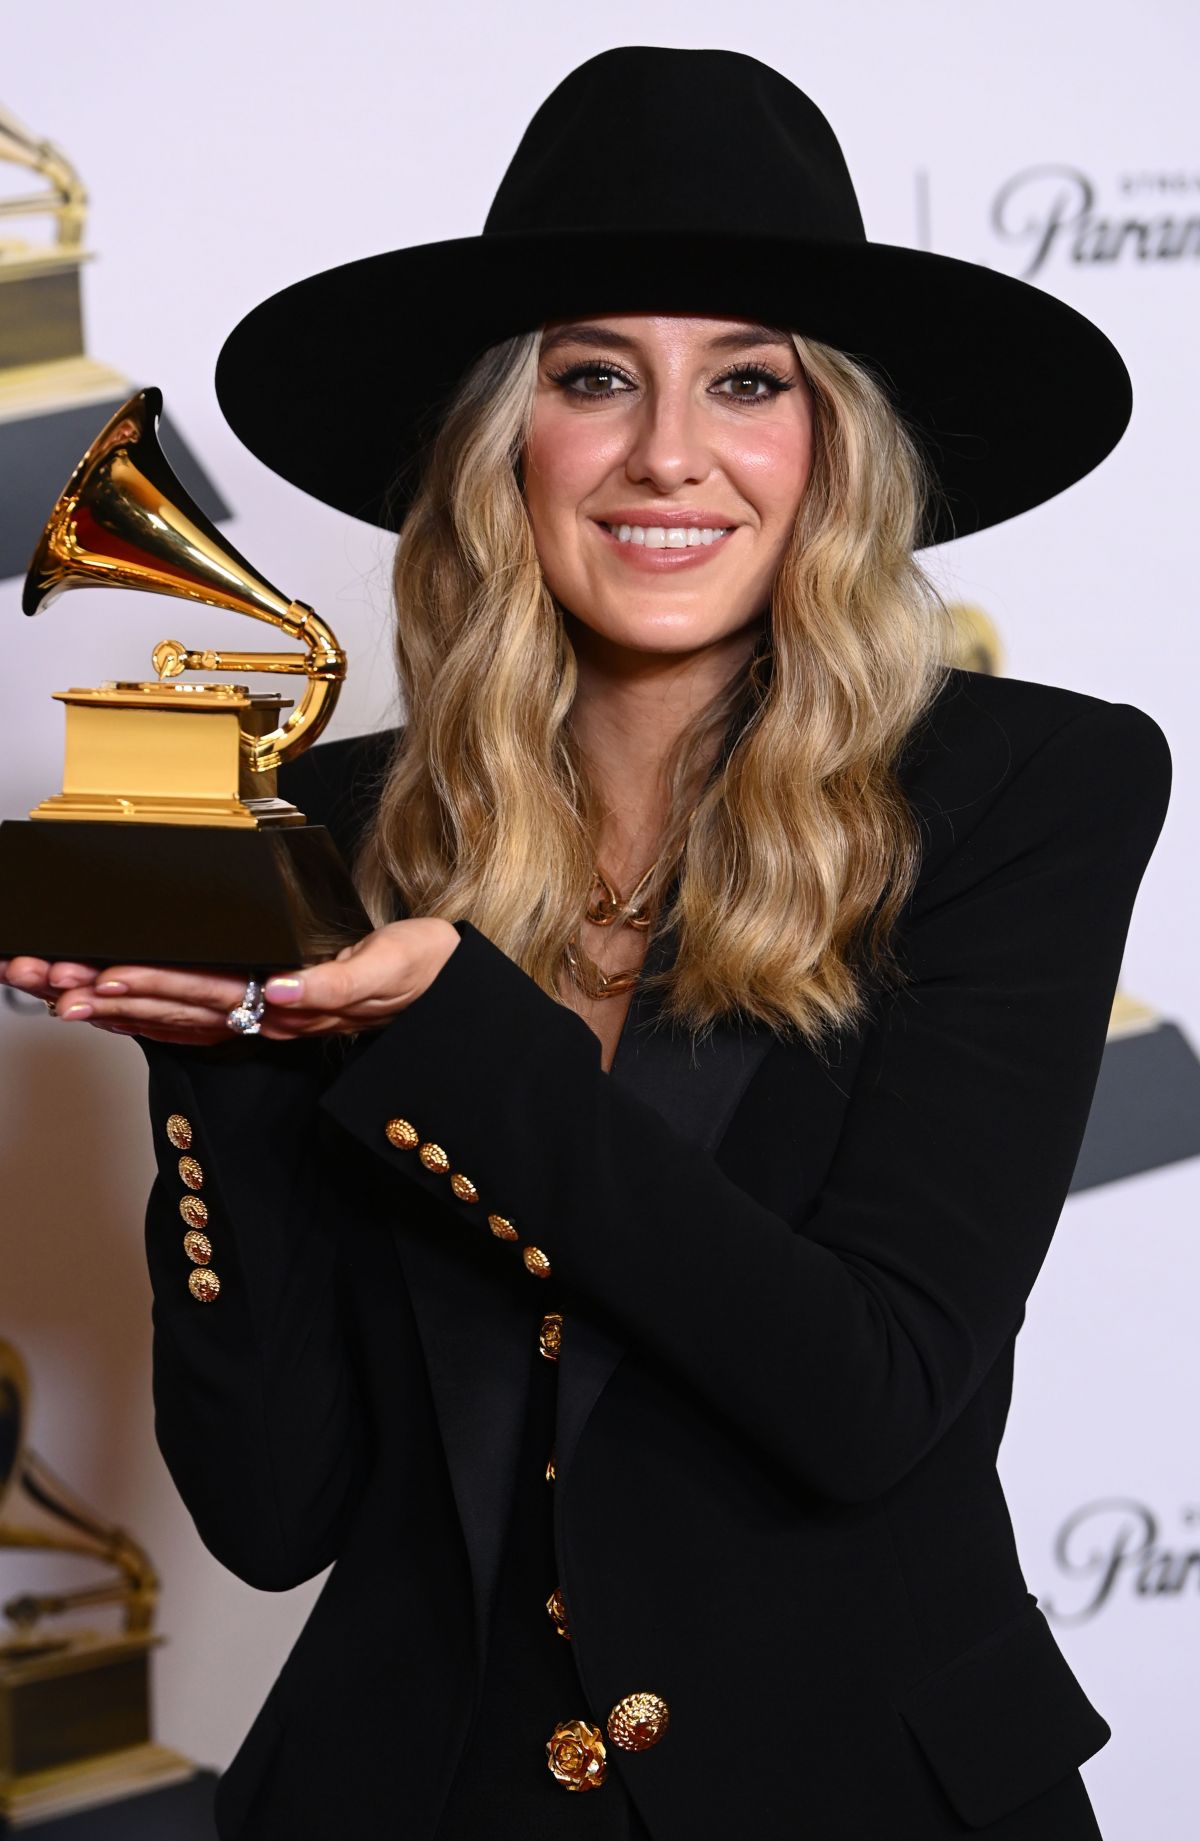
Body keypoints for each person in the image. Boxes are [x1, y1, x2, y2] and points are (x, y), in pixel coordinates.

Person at [0, 46, 1172, 1841]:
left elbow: (869, 1395)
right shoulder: (325, 828)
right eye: (595, 376)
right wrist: (225, 1049)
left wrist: (457, 1031)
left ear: (832, 442)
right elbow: (271, 1507)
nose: (668, 453)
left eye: (750, 381)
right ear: (504, 439)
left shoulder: (1030, 787)